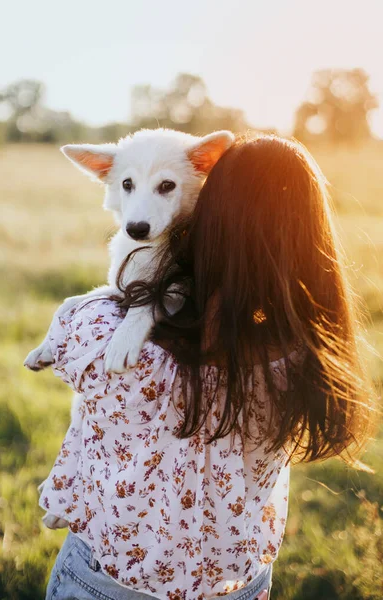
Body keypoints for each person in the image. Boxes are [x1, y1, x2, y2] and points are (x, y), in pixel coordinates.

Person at [40, 135, 376, 600]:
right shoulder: (308, 357)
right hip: (237, 580)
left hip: (112, 579)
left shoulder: (114, 341)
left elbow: (79, 349)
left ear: (207, 209)